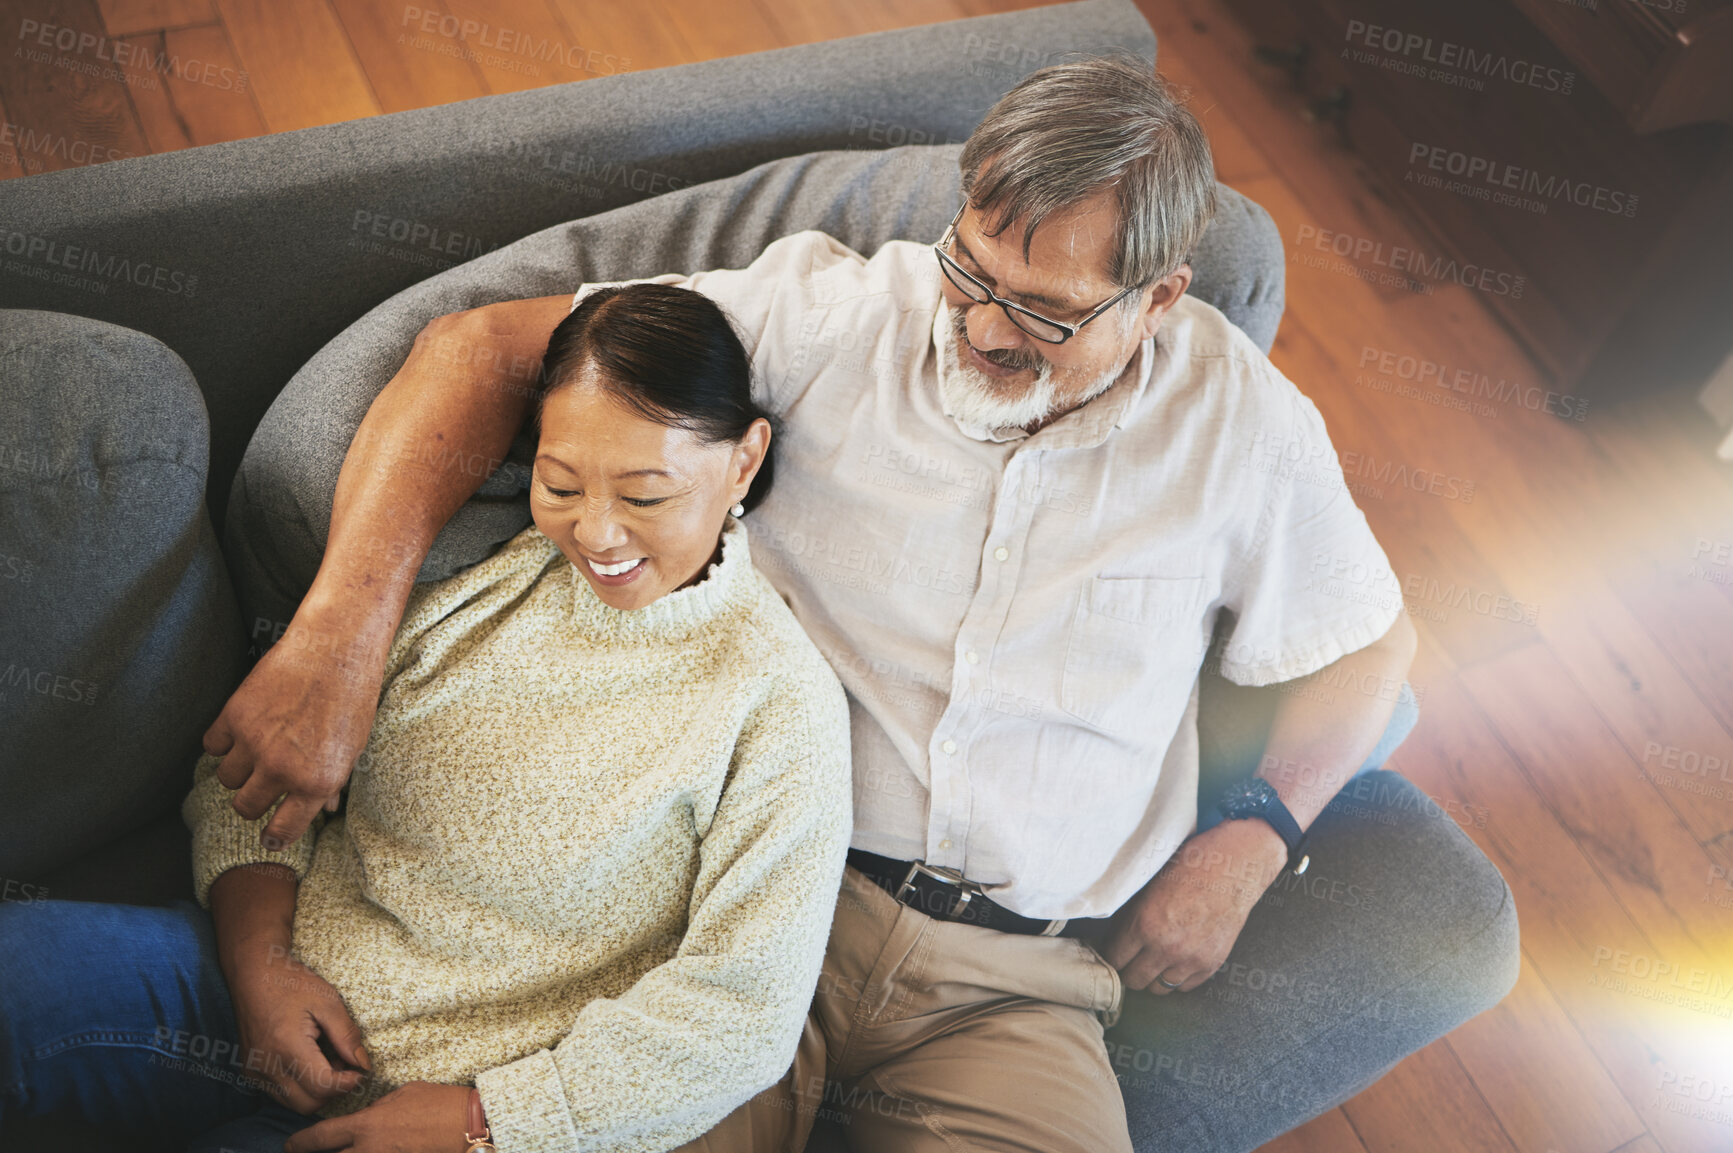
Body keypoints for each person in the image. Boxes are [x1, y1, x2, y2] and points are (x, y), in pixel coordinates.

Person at [206, 57, 1512, 1152]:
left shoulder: (1244, 426)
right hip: (752, 915)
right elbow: (476, 349)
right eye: (973, 271)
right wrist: (338, 636)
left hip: (1023, 984)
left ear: (1161, 298)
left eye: (1046, 314)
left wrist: (1251, 841)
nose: (985, 330)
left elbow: (1370, 644)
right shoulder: (830, 314)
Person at [0, 284, 852, 1153]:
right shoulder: (486, 581)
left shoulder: (778, 705)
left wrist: (487, 1124)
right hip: (245, 980)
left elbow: (741, 1011)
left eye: (644, 496)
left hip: (442, 1110)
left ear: (743, 461)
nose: (596, 534)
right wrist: (261, 964)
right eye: (561, 483)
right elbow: (262, 760)